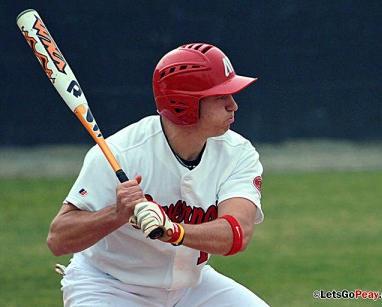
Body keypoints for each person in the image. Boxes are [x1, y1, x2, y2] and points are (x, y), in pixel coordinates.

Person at [47, 43, 268, 306]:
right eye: (220, 97)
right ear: (185, 104)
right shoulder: (121, 153)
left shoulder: (238, 153)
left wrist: (174, 231)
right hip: (108, 286)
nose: (233, 106)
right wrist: (117, 214)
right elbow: (58, 239)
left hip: (191, 288)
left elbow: (236, 233)